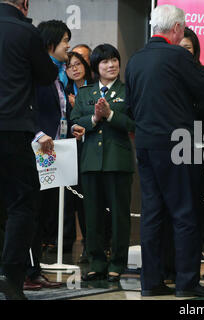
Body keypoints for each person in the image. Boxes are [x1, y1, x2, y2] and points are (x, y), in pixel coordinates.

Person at [125, 4, 204, 297]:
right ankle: (187, 283)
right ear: (176, 29)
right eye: (183, 29)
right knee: (185, 212)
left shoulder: (135, 59)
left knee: (152, 214)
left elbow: (130, 107)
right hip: (177, 144)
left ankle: (151, 283)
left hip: (146, 144)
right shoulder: (178, 56)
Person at [0, 0, 58, 300]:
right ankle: (10, 276)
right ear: (24, 3)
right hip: (11, 128)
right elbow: (48, 75)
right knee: (22, 205)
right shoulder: (24, 31)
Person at [25, 19, 85, 291]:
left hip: (54, 150)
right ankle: (27, 270)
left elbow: (59, 113)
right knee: (31, 212)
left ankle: (35, 269)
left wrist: (71, 126)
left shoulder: (55, 74)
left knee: (45, 213)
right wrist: (38, 133)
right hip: (37, 150)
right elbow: (27, 108)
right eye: (64, 41)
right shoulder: (38, 72)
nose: (68, 47)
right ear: (50, 44)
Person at [71, 44, 135, 282]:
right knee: (92, 214)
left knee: (119, 215)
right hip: (90, 162)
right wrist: (94, 118)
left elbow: (134, 124)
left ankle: (117, 263)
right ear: (96, 67)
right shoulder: (85, 93)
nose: (112, 65)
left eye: (115, 60)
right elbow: (74, 121)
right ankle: (97, 262)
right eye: (106, 62)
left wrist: (110, 115)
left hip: (118, 161)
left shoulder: (128, 91)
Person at [180, 27, 204, 251]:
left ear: (195, 50)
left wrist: (181, 108)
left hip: (197, 139)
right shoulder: (168, 72)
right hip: (172, 139)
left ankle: (198, 244)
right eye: (179, 47)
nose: (183, 52)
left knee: (198, 192)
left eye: (187, 48)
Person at [63, 51, 92, 263]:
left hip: (91, 147)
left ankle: (96, 244)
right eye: (70, 66)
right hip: (69, 149)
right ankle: (74, 243)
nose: (74, 68)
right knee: (73, 199)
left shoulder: (94, 88)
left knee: (91, 198)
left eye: (78, 64)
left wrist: (78, 107)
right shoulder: (63, 90)